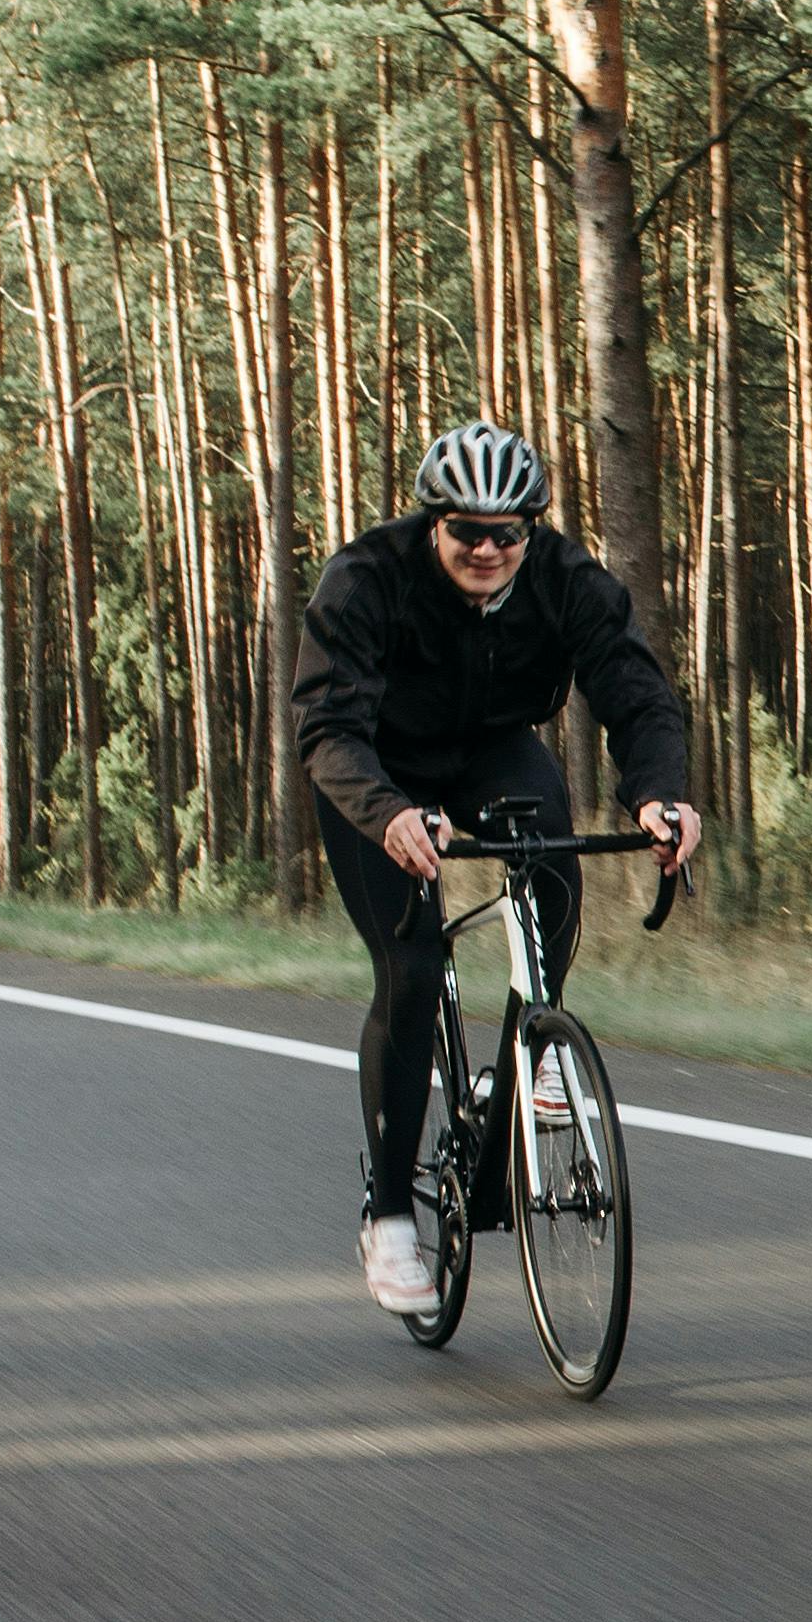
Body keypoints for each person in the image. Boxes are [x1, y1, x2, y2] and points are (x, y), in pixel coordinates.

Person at [293, 423, 703, 1318]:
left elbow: (637, 695)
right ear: (430, 523)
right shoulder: (365, 579)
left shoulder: (566, 580)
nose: (486, 549)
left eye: (506, 532)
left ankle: (534, 1036)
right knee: (410, 970)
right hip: (374, 771)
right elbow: (326, 728)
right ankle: (392, 1215)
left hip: (490, 751)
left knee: (548, 840)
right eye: (465, 531)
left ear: (531, 529)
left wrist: (659, 796)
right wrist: (390, 811)